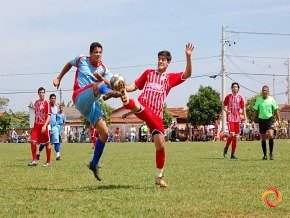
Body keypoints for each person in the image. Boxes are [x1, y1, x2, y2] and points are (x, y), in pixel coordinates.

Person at [112, 43, 194, 187]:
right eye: (159, 58)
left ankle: (159, 177)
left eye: (163, 59)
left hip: (156, 116)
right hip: (143, 107)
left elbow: (187, 74)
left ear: (168, 62)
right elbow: (135, 86)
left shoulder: (169, 78)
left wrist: (188, 57)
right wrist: (125, 88)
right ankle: (127, 101)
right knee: (136, 103)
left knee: (161, 146)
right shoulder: (148, 73)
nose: (160, 61)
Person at [53, 42, 121, 181]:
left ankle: (94, 164)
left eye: (100, 52)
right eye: (96, 52)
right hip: (79, 97)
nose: (98, 54)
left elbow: (111, 81)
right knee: (98, 85)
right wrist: (59, 77)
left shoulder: (103, 69)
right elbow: (68, 64)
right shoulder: (81, 59)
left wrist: (108, 82)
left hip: (91, 104)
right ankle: (107, 94)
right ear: (90, 53)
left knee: (105, 133)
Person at [253, 85, 280, 160]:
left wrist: (279, 120)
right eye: (263, 90)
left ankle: (271, 153)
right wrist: (253, 119)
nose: (264, 92)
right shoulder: (258, 100)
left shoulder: (272, 100)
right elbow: (255, 110)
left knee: (271, 135)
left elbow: (276, 110)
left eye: (265, 90)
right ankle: (265, 155)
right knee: (263, 138)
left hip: (270, 119)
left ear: (268, 91)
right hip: (261, 120)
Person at [223, 82, 247, 159]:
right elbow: (223, 105)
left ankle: (232, 154)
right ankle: (226, 148)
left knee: (235, 137)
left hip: (237, 118)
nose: (235, 88)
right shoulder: (228, 97)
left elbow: (243, 108)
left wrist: (244, 116)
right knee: (232, 134)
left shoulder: (240, 98)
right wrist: (226, 111)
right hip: (230, 117)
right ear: (231, 88)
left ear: (238, 88)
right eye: (233, 87)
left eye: (236, 87)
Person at [28, 87, 52, 167]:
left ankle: (48, 162)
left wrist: (45, 125)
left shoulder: (47, 103)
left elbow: (49, 115)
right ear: (38, 93)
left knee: (46, 143)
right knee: (32, 141)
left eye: (43, 92)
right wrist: (33, 126)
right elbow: (35, 114)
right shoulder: (36, 103)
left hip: (44, 125)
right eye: (40, 92)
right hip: (36, 125)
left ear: (44, 93)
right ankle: (34, 160)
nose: (42, 94)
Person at [37, 94, 60, 161]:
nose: (53, 99)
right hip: (47, 126)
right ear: (49, 99)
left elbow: (57, 117)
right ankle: (38, 153)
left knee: (56, 140)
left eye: (54, 98)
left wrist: (57, 126)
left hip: (54, 127)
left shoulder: (56, 108)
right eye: (52, 98)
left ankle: (58, 155)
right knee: (45, 142)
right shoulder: (47, 106)